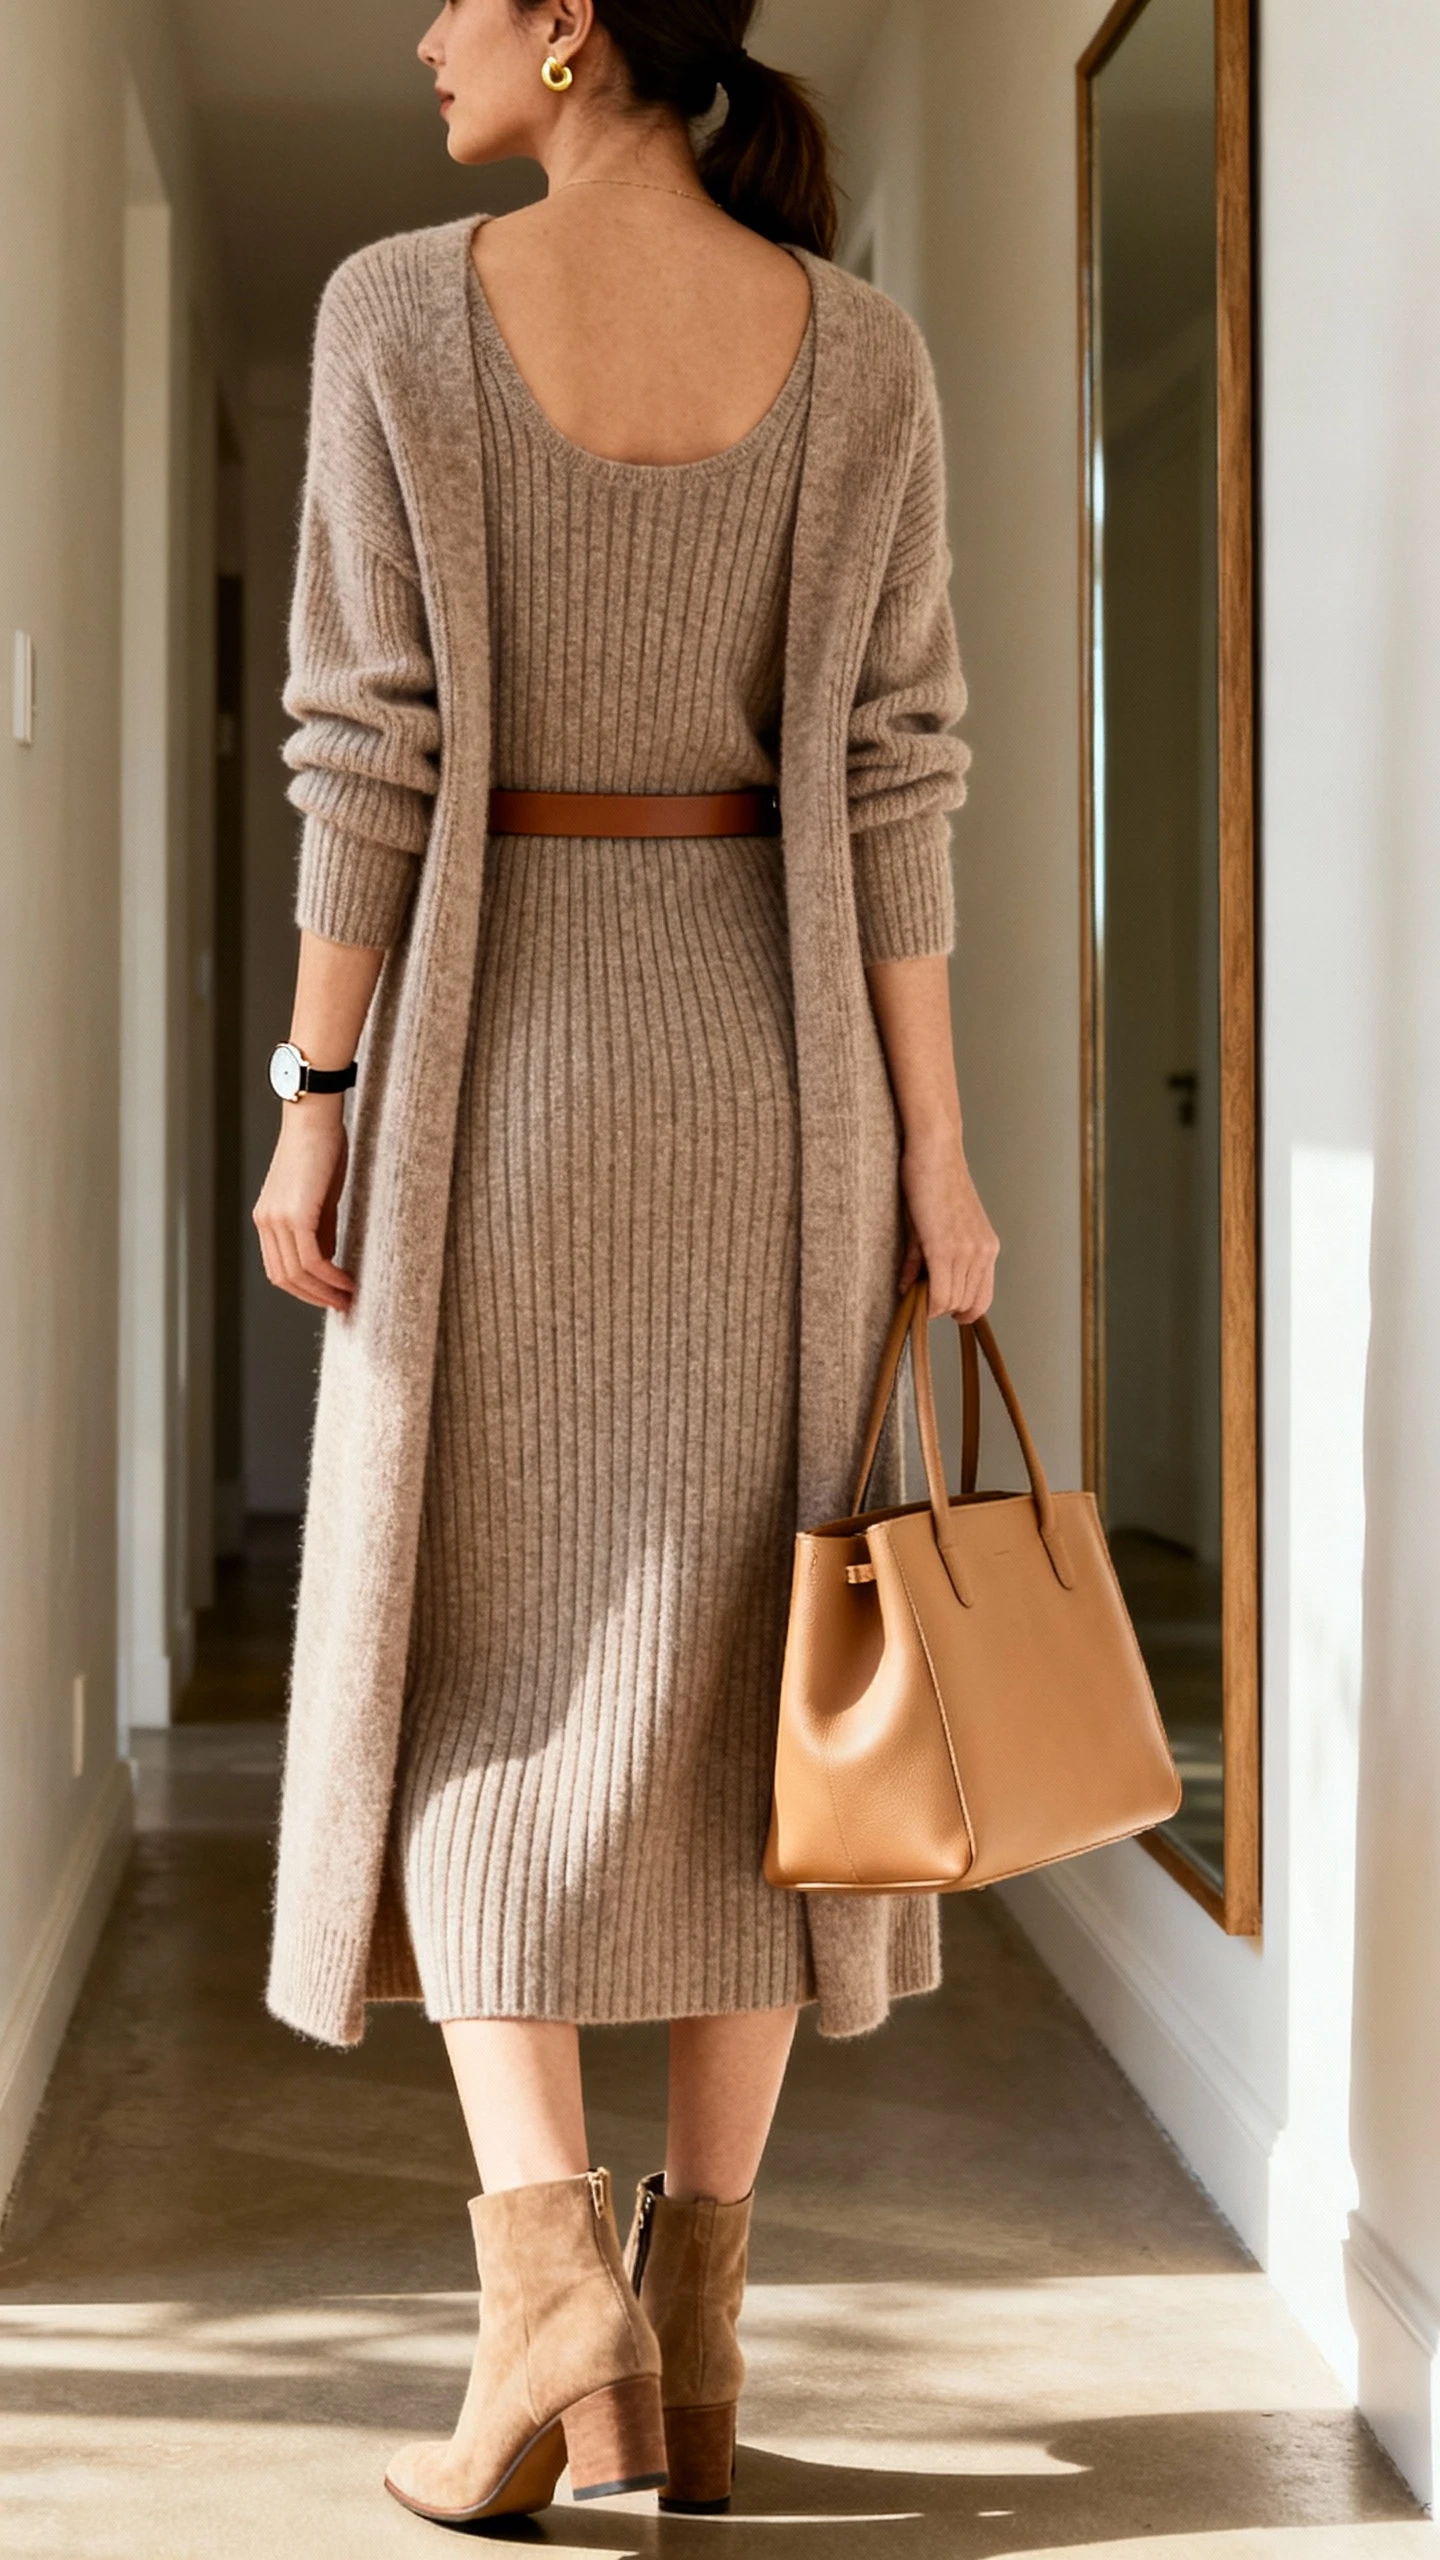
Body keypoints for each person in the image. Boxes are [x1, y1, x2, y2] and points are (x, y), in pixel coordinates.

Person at [253, 0, 999, 2529]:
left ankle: (544, 2272)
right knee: (747, 1690)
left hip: (494, 1077)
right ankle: (690, 2320)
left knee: (471, 1658)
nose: (418, 32)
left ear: (573, 27)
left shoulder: (393, 314)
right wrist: (939, 1151)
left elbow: (366, 749)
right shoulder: (861, 350)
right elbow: (898, 772)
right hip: (772, 1082)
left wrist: (317, 1094)